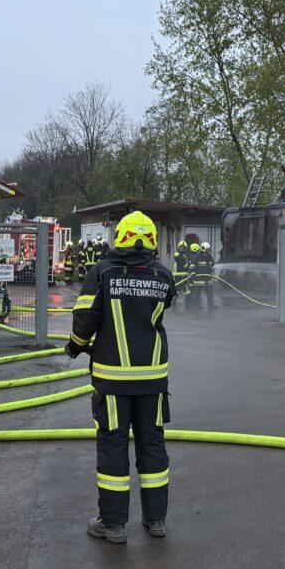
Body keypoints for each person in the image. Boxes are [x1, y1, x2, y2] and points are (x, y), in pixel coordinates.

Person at [66, 210, 175, 543]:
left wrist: (75, 346)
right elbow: (167, 304)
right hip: (153, 379)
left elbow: (85, 319)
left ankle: (113, 525)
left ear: (120, 238)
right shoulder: (163, 275)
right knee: (152, 444)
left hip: (113, 381)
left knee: (113, 446)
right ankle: (156, 520)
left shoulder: (101, 272)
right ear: (152, 239)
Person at [193, 241, 215, 311]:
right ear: (204, 249)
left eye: (209, 249)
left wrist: (212, 273)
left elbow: (212, 265)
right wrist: (192, 273)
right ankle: (197, 305)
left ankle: (211, 306)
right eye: (208, 249)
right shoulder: (198, 256)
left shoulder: (209, 256)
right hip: (199, 279)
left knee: (210, 294)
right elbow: (192, 266)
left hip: (207, 279)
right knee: (197, 294)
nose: (209, 251)